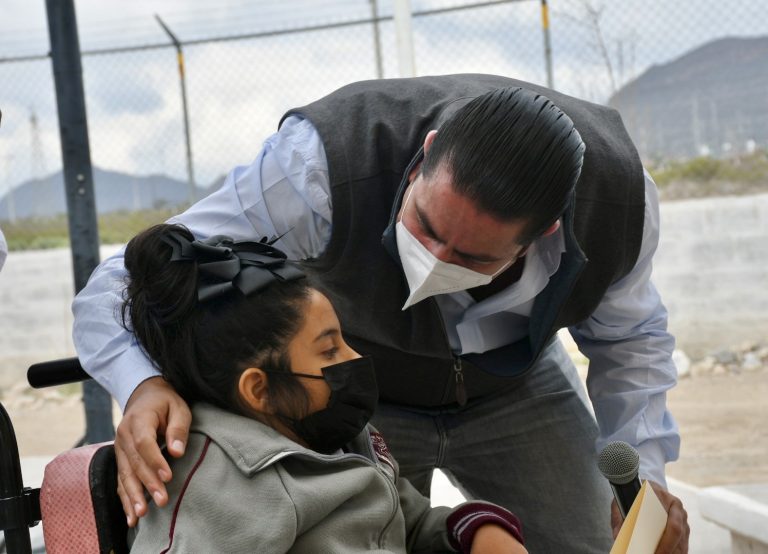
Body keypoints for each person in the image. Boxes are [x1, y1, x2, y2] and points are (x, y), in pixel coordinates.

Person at [73, 75, 689, 552]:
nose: (435, 258)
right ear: (423, 156)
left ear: (545, 233)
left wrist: (646, 478)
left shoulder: (619, 202)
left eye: (472, 257)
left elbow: (630, 342)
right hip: (358, 399)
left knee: (607, 542)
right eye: (423, 226)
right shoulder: (319, 167)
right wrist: (144, 384)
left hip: (517, 389)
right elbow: (118, 283)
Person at [122, 223, 526, 553]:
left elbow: (403, 522)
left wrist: (472, 531)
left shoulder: (338, 433)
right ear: (259, 389)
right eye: (330, 350)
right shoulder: (222, 487)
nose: (353, 358)